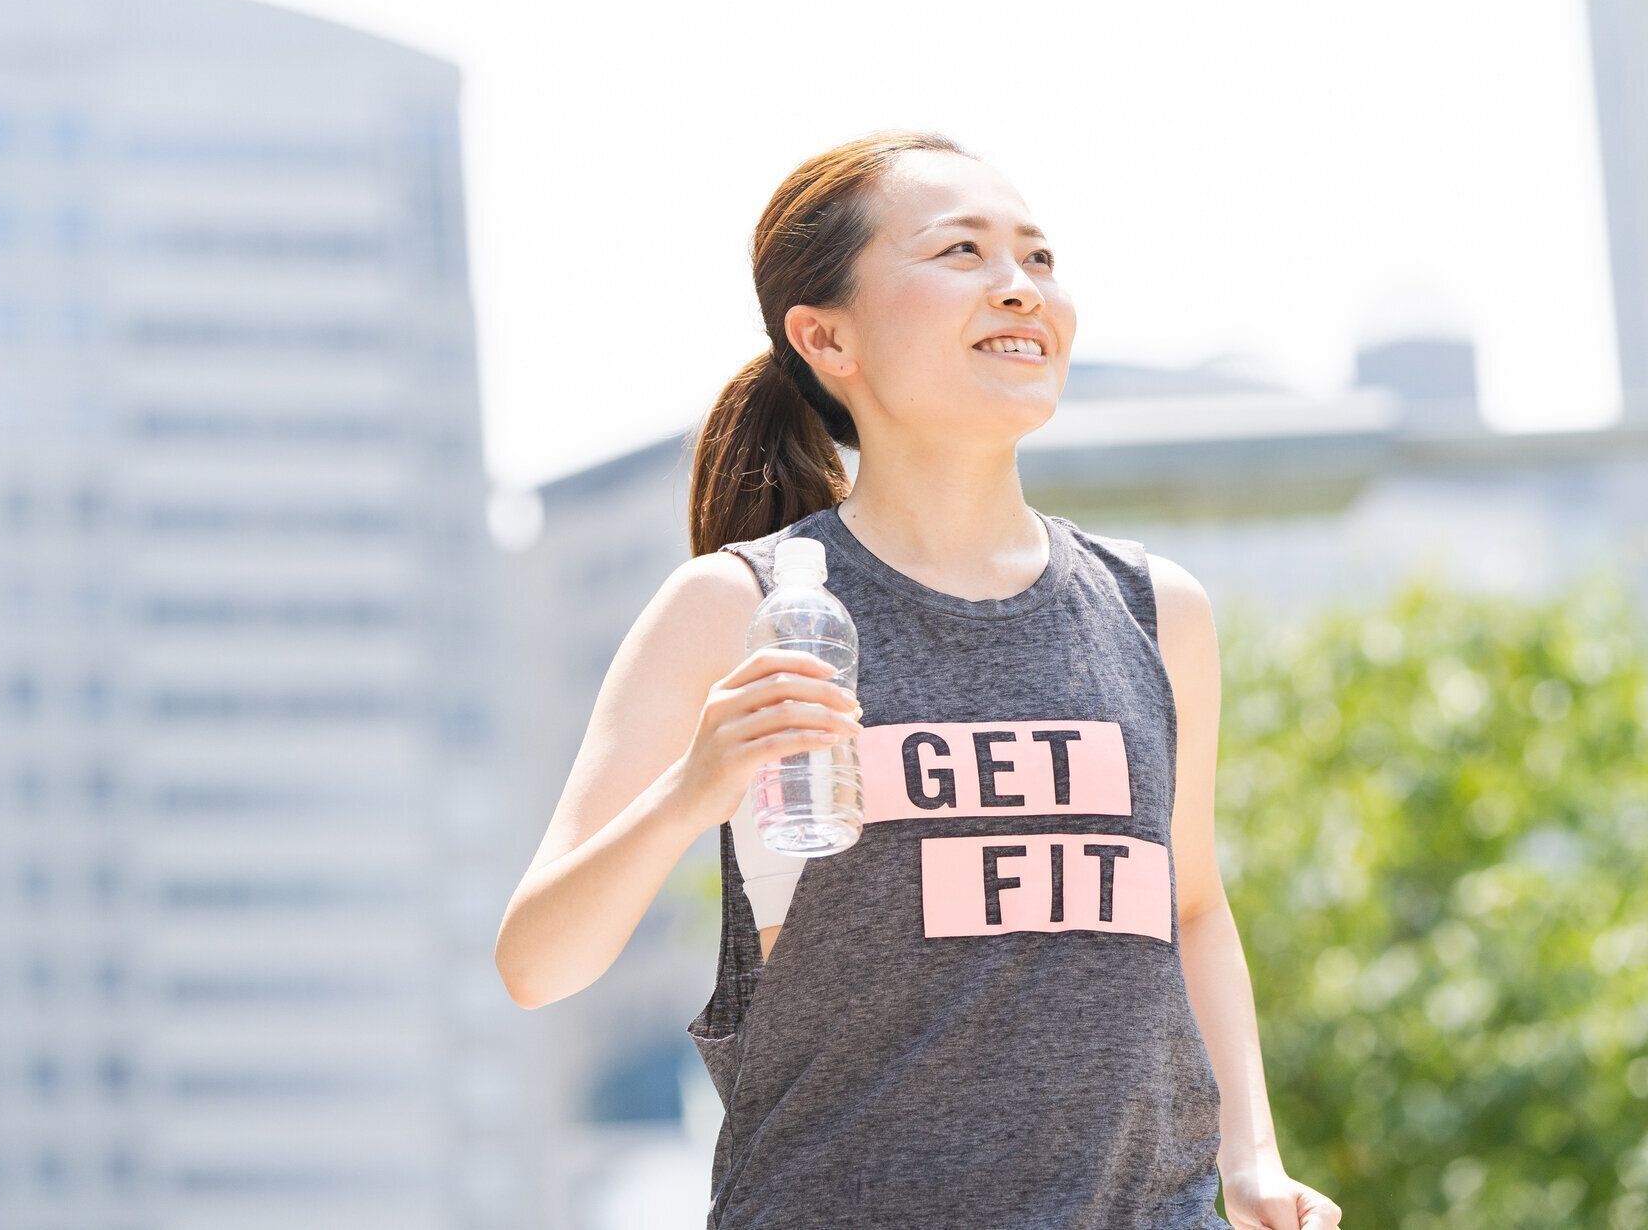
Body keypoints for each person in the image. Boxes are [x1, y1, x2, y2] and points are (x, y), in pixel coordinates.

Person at [495, 131, 1342, 1229]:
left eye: (1038, 259)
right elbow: (536, 962)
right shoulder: (737, 605)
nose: (1019, 288)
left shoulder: (1157, 608)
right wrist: (694, 785)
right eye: (962, 252)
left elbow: (1190, 907)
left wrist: (1252, 1159)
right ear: (826, 335)